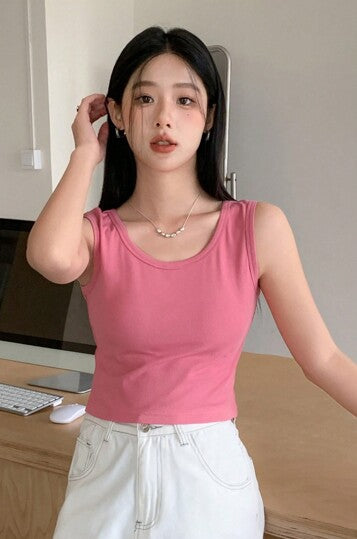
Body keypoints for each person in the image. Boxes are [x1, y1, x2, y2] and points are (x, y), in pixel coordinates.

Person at [26, 25, 357, 539]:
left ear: (209, 118)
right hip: (105, 464)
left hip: (207, 473)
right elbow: (48, 256)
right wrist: (84, 155)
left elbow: (324, 360)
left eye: (185, 100)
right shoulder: (97, 234)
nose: (164, 117)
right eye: (144, 98)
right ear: (117, 114)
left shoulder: (257, 227)